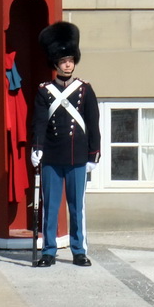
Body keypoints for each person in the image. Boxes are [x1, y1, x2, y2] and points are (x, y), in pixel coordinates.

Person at [30, 21, 100, 267]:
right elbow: (39, 122)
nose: (68, 63)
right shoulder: (44, 91)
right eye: (63, 60)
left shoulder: (85, 90)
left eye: (70, 59)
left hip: (77, 157)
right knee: (50, 207)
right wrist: (36, 148)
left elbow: (93, 123)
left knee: (76, 208)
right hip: (51, 157)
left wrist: (93, 155)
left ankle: (79, 250)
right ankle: (48, 251)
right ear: (56, 63)